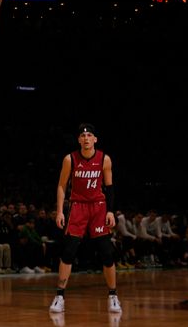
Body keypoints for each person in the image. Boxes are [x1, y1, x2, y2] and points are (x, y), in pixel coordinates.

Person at [49, 123, 121, 315]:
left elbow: (110, 187)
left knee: (107, 252)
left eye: (90, 135)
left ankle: (113, 296)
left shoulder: (104, 159)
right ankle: (59, 296)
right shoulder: (69, 159)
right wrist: (60, 211)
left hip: (98, 207)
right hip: (77, 207)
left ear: (95, 139)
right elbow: (61, 186)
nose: (86, 138)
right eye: (83, 135)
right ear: (79, 140)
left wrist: (110, 211)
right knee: (69, 251)